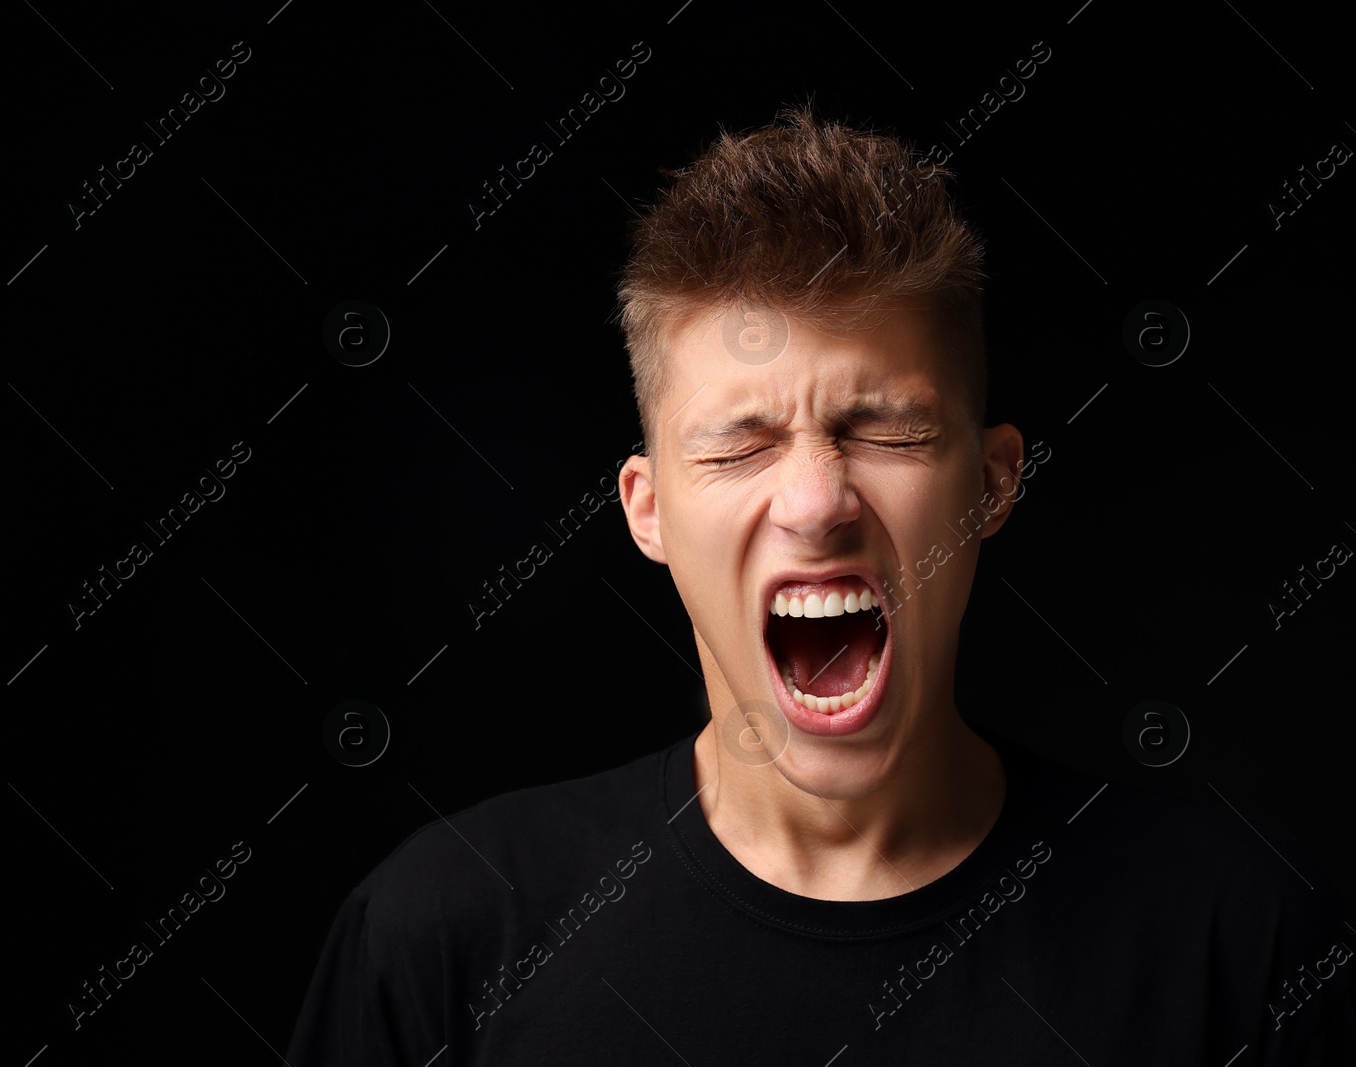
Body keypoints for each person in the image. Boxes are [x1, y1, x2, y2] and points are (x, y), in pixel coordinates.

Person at [286, 104, 1355, 1064]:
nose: (815, 501)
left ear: (989, 484)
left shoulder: (1237, 945)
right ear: (644, 507)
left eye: (882, 428)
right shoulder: (442, 942)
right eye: (738, 446)